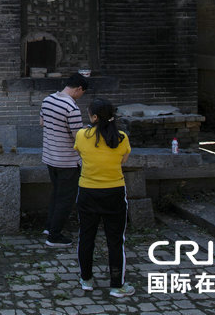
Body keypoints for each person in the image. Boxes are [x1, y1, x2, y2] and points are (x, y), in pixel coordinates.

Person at [73, 97, 134, 297]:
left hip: (88, 191)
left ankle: (86, 279)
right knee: (115, 240)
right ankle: (117, 285)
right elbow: (123, 160)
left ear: (95, 117)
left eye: (89, 113)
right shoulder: (122, 137)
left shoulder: (82, 135)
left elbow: (80, 153)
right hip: (114, 192)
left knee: (86, 236)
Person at [40, 72, 89, 247]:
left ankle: (49, 226)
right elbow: (78, 136)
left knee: (56, 193)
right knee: (66, 198)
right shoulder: (72, 108)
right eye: (82, 93)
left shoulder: (48, 100)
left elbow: (42, 122)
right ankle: (54, 236)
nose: (81, 96)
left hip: (50, 156)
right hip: (67, 160)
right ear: (78, 89)